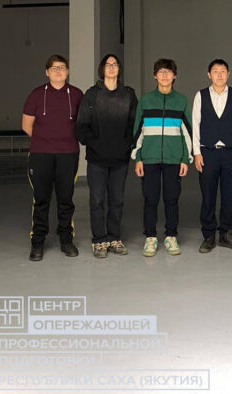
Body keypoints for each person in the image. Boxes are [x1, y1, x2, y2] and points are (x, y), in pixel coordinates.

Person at [22, 54, 83, 262]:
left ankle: (66, 239)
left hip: (68, 154)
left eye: (62, 67)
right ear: (47, 72)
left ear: (67, 72)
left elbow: (83, 123)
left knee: (66, 198)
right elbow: (26, 125)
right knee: (41, 199)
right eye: (54, 68)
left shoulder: (77, 95)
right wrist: (45, 140)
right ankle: (37, 241)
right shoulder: (36, 95)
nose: (58, 71)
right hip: (41, 154)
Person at [76, 54, 137, 258]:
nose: (112, 68)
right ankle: (99, 240)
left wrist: (126, 146)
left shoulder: (128, 95)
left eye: (115, 64)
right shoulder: (92, 95)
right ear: (102, 69)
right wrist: (95, 144)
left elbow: (134, 125)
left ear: (119, 69)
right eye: (108, 64)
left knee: (117, 200)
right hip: (97, 159)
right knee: (96, 200)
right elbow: (81, 126)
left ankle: (114, 237)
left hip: (120, 159)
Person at [132, 58, 192, 257]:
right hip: (149, 159)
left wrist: (185, 159)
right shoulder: (145, 101)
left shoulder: (181, 101)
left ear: (174, 76)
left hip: (174, 159)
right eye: (161, 72)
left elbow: (188, 132)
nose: (164, 75)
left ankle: (171, 236)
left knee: (171, 198)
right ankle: (150, 237)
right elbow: (137, 131)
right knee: (150, 198)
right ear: (154, 76)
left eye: (168, 72)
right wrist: (138, 157)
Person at [192, 59, 232, 253]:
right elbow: (195, 125)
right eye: (215, 71)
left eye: (223, 71)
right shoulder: (200, 95)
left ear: (228, 74)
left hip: (231, 152)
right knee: (208, 195)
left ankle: (226, 233)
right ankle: (208, 235)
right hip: (207, 152)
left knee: (229, 194)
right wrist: (196, 152)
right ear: (209, 75)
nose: (219, 75)